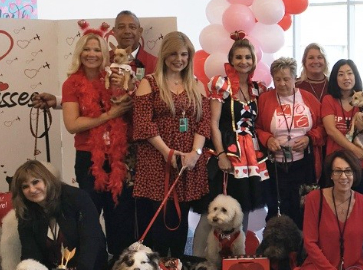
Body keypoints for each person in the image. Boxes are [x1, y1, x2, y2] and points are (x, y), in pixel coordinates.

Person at [133, 31, 211, 257]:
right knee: (157, 220)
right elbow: (144, 124)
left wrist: (195, 153)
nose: (179, 59)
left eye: (184, 54)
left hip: (188, 161)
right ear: (164, 55)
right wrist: (168, 153)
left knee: (181, 219)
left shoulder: (197, 85)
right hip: (157, 160)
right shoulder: (149, 83)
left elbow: (203, 123)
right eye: (174, 54)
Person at [61, 29, 133, 256]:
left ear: (104, 55)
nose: (91, 54)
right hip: (89, 159)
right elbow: (72, 124)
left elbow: (128, 109)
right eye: (87, 49)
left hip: (118, 158)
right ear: (79, 53)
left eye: (96, 50)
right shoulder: (71, 84)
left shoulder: (113, 78)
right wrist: (108, 116)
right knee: (90, 217)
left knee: (120, 217)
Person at [11, 160, 108, 270]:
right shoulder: (26, 212)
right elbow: (30, 252)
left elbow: (91, 240)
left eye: (36, 182)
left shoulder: (77, 197)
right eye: (25, 186)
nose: (32, 189)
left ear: (47, 180)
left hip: (89, 268)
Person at [31, 10, 158, 110]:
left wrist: (132, 88)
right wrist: (58, 101)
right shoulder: (102, 59)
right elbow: (88, 92)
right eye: (121, 27)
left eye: (132, 27)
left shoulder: (155, 63)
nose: (127, 31)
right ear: (113, 32)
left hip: (143, 137)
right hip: (110, 134)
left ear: (140, 31)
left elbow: (160, 102)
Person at [256, 57, 325, 228]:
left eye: (286, 79)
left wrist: (309, 138)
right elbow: (256, 128)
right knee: (276, 208)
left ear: (295, 78)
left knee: (302, 207)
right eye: (277, 79)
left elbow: (323, 126)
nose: (282, 83)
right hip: (275, 165)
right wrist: (268, 139)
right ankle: (277, 248)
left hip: (304, 162)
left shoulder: (308, 99)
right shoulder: (265, 99)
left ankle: (302, 248)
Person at [208, 36, 268, 221]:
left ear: (253, 61)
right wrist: (221, 154)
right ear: (231, 60)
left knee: (242, 209)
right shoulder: (222, 85)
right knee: (216, 210)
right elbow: (213, 123)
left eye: (248, 57)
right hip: (228, 150)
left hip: (251, 155)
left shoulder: (258, 89)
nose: (244, 62)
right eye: (239, 57)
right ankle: (202, 252)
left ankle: (237, 250)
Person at [321, 59, 363, 195]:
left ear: (355, 76)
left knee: (360, 204)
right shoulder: (329, 100)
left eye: (350, 73)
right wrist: (354, 150)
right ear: (335, 78)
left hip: (362, 162)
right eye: (341, 74)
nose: (346, 78)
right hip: (336, 163)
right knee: (335, 205)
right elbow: (331, 131)